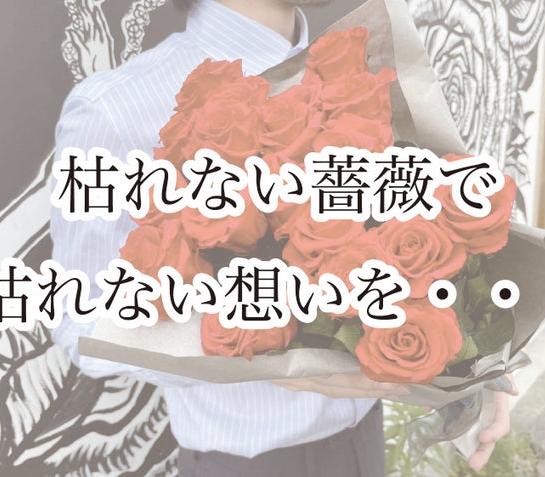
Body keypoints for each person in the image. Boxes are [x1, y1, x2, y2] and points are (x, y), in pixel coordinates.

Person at [50, 0, 514, 475]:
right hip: (250, 462)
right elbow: (75, 319)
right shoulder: (115, 107)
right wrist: (258, 349)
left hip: (365, 440)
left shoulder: (358, 66)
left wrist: (475, 361)